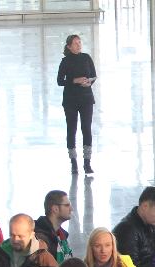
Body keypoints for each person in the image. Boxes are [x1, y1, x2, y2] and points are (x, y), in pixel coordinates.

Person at [56, 34, 97, 175]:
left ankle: (87, 162)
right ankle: (73, 162)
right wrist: (74, 81)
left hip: (86, 98)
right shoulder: (65, 61)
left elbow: (93, 75)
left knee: (86, 128)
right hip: (70, 100)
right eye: (75, 43)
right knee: (71, 128)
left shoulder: (86, 58)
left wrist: (89, 82)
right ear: (69, 46)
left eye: (80, 42)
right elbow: (60, 81)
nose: (78, 45)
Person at [34, 190, 75, 264]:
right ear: (55, 209)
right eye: (67, 205)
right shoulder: (39, 238)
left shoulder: (62, 237)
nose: (71, 209)